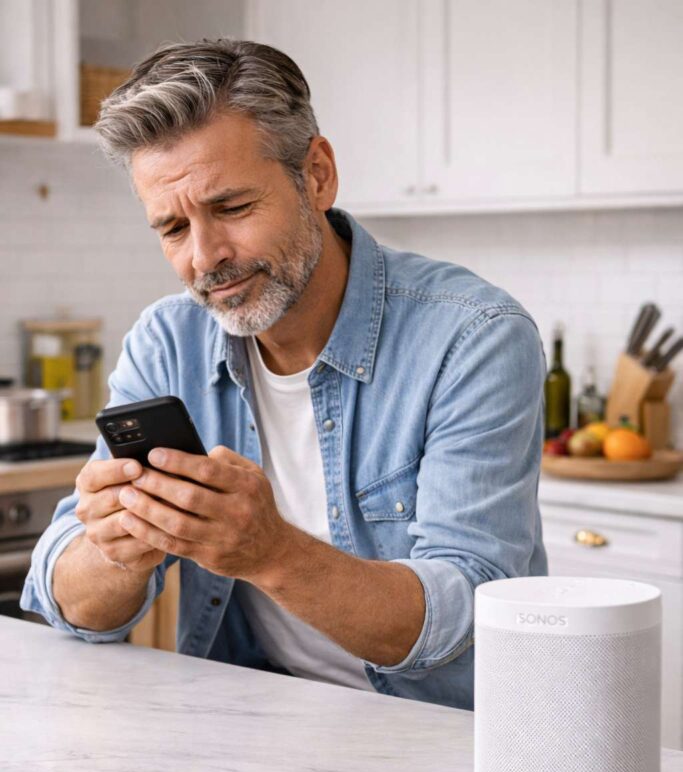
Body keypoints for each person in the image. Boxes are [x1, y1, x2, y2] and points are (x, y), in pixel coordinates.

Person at [21, 39, 547, 708]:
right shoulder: (166, 342)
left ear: (317, 174)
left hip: (444, 737)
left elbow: (470, 610)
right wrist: (116, 549)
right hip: (255, 728)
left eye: (232, 209)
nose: (204, 257)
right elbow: (69, 602)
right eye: (172, 228)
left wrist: (268, 551)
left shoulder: (471, 337)